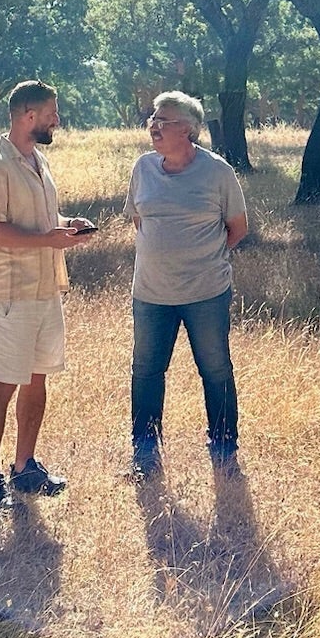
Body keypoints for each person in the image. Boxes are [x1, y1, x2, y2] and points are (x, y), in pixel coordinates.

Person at [0, 79, 95, 506]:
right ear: (29, 116)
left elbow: (37, 218)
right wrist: (48, 240)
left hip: (46, 289)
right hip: (10, 295)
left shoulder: (37, 160)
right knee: (2, 384)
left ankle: (25, 466)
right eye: (51, 114)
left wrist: (65, 224)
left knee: (37, 378)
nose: (56, 120)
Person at [124, 90, 249, 474]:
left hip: (205, 293)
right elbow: (138, 219)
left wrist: (202, 260)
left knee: (214, 369)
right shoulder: (143, 168)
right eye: (153, 119)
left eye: (165, 121)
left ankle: (224, 446)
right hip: (150, 293)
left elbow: (238, 228)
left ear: (189, 131)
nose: (154, 126)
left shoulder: (217, 172)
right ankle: (145, 451)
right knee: (146, 370)